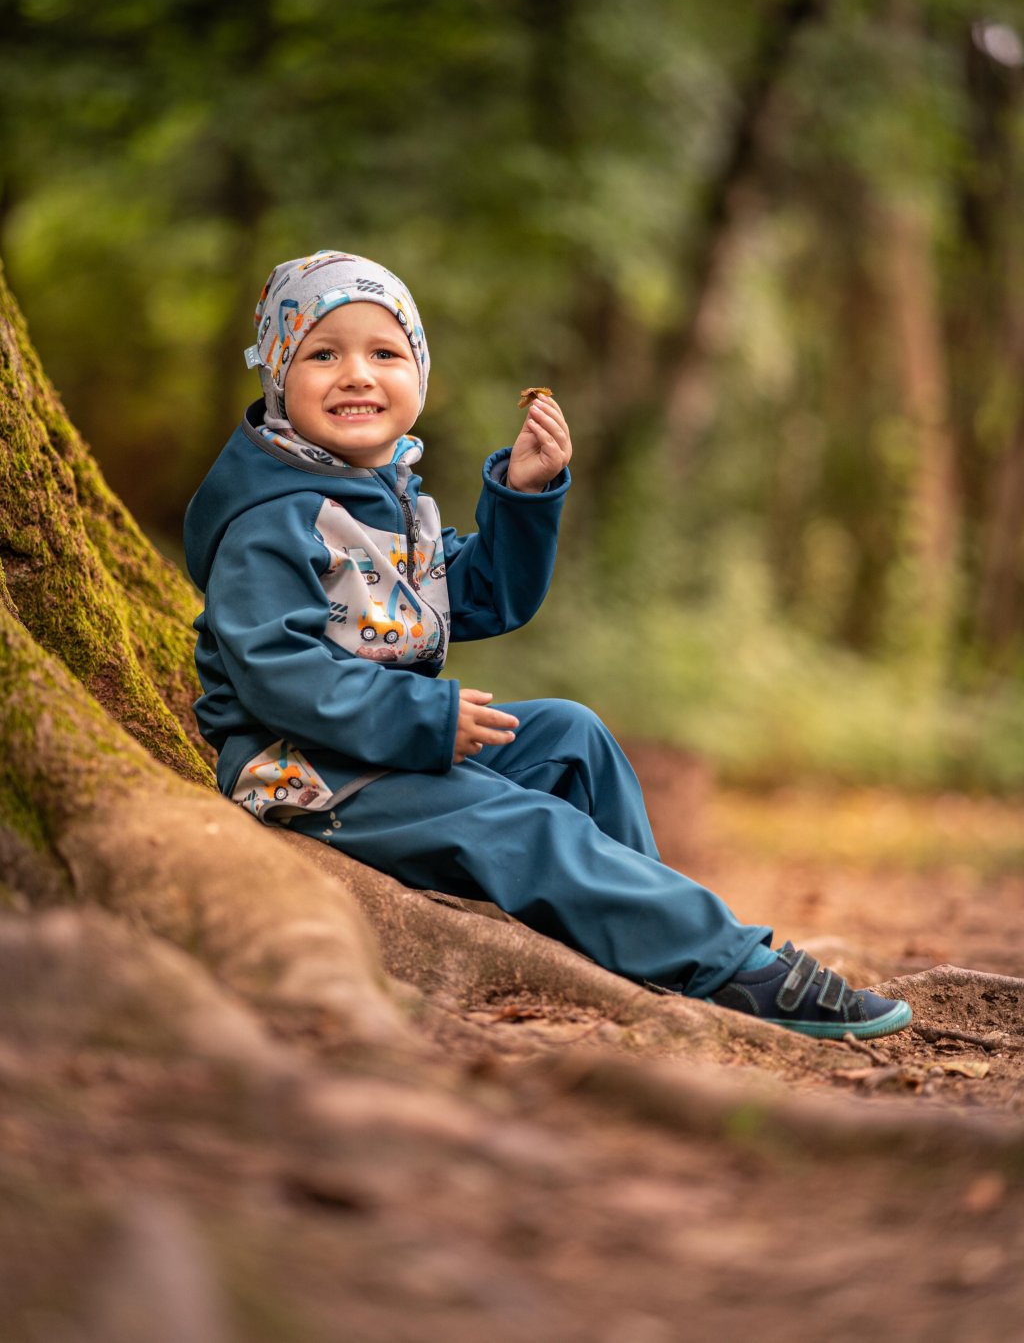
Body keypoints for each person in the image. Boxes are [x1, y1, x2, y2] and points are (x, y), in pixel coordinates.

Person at [183, 249, 912, 1041]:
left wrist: (523, 496)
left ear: (418, 377)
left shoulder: (388, 496)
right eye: (323, 353)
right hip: (304, 772)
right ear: (279, 378)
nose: (357, 373)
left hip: (380, 749)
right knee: (529, 824)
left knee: (571, 735)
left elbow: (479, 596)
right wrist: (427, 716)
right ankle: (734, 969)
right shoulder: (269, 520)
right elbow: (275, 673)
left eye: (384, 352)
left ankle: (666, 942)